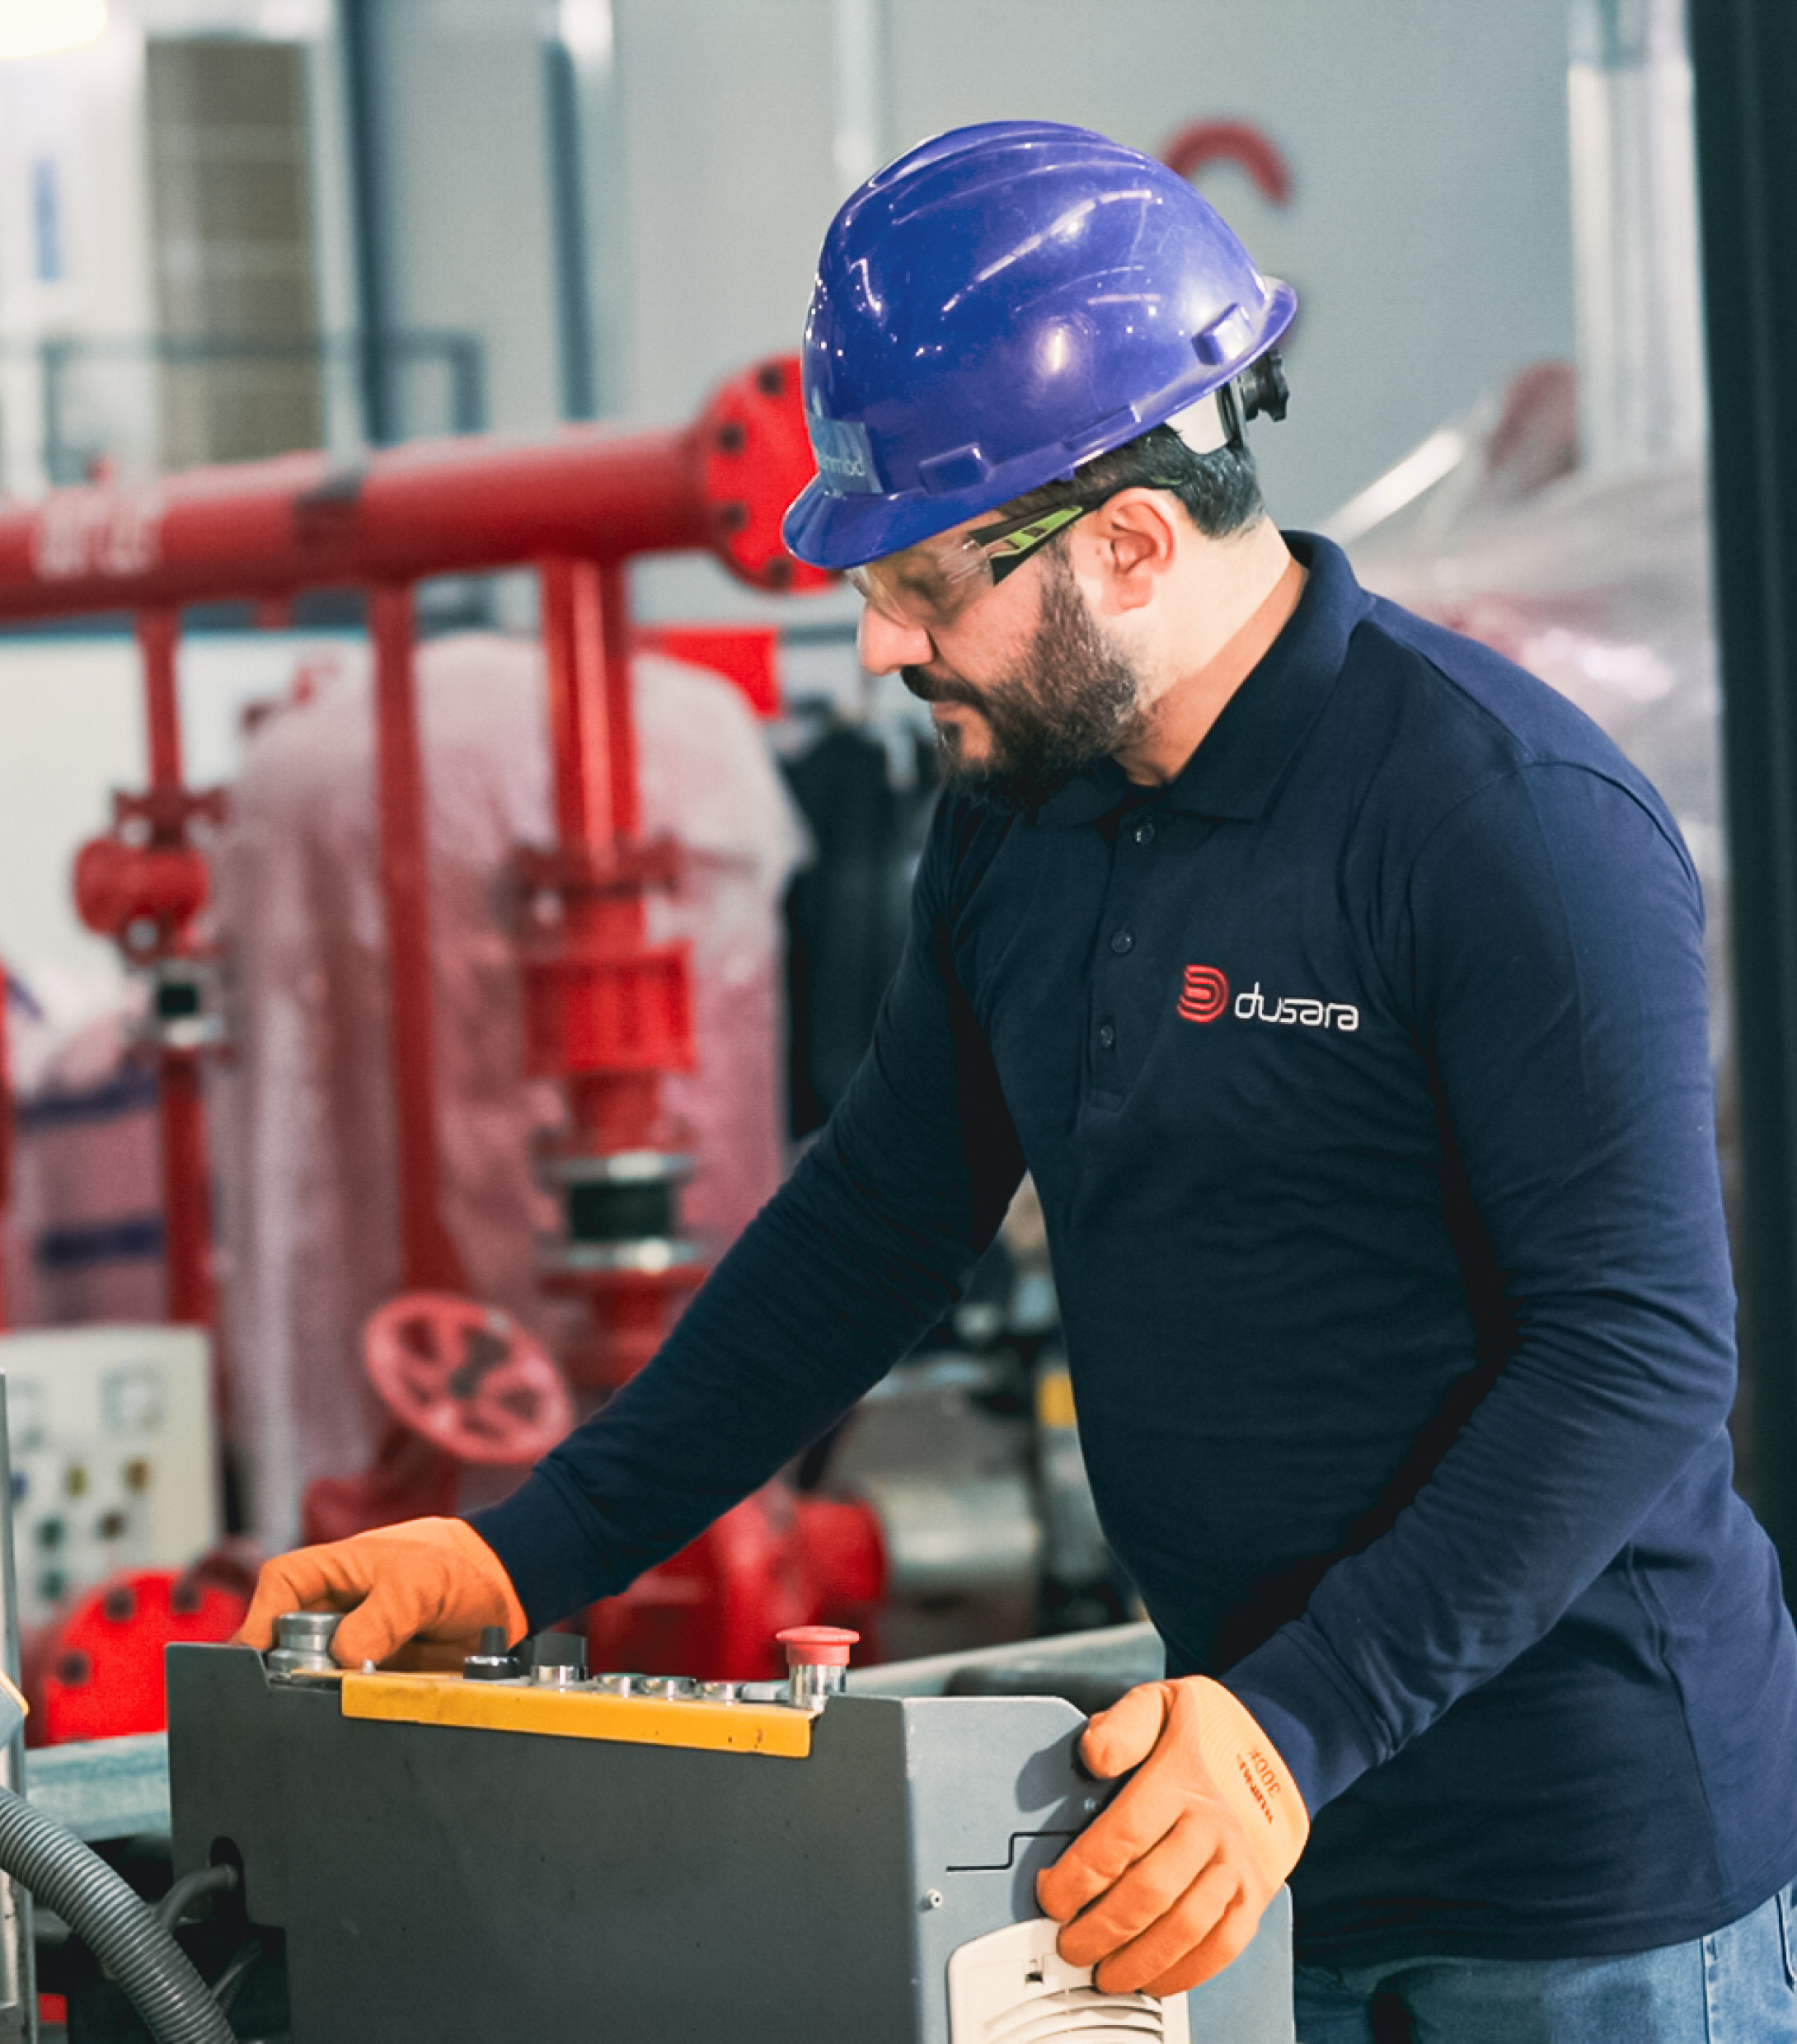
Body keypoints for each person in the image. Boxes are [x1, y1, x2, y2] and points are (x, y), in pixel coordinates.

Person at [237, 122, 1797, 2040]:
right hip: (1222, 1824)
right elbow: (867, 1231)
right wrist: (516, 1547)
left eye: (922, 584)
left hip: (1570, 1884)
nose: (876, 643)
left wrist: (1288, 1730)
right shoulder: (1023, 818)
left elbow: (1632, 1355)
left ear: (1128, 542)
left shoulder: (1498, 824)